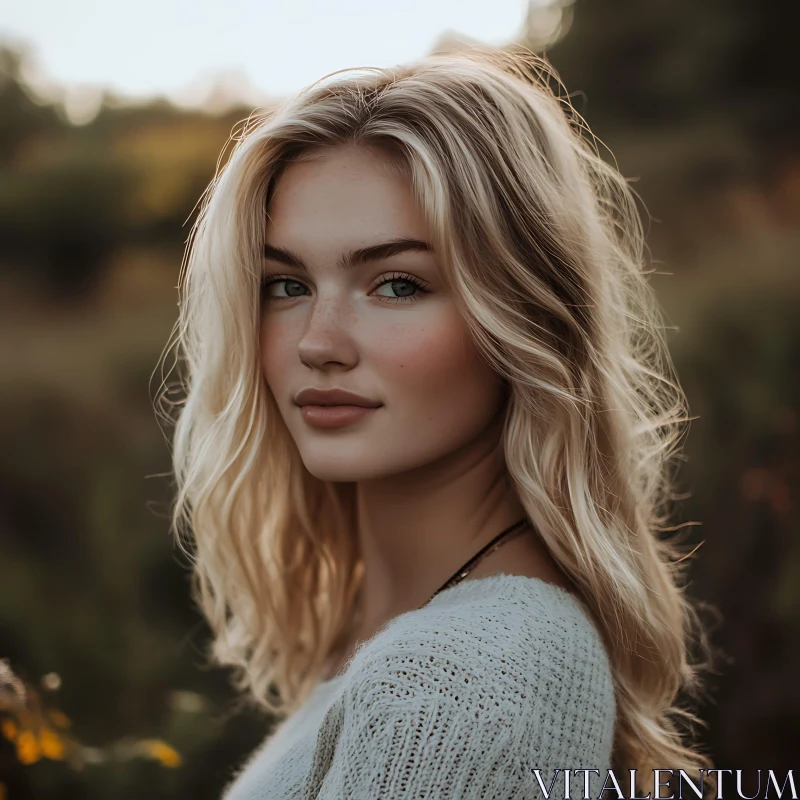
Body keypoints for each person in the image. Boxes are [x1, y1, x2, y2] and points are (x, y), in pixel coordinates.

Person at [156, 42, 716, 799]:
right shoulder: (423, 650)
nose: (317, 342)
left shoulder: (457, 683)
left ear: (523, 313)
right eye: (285, 284)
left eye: (395, 284)